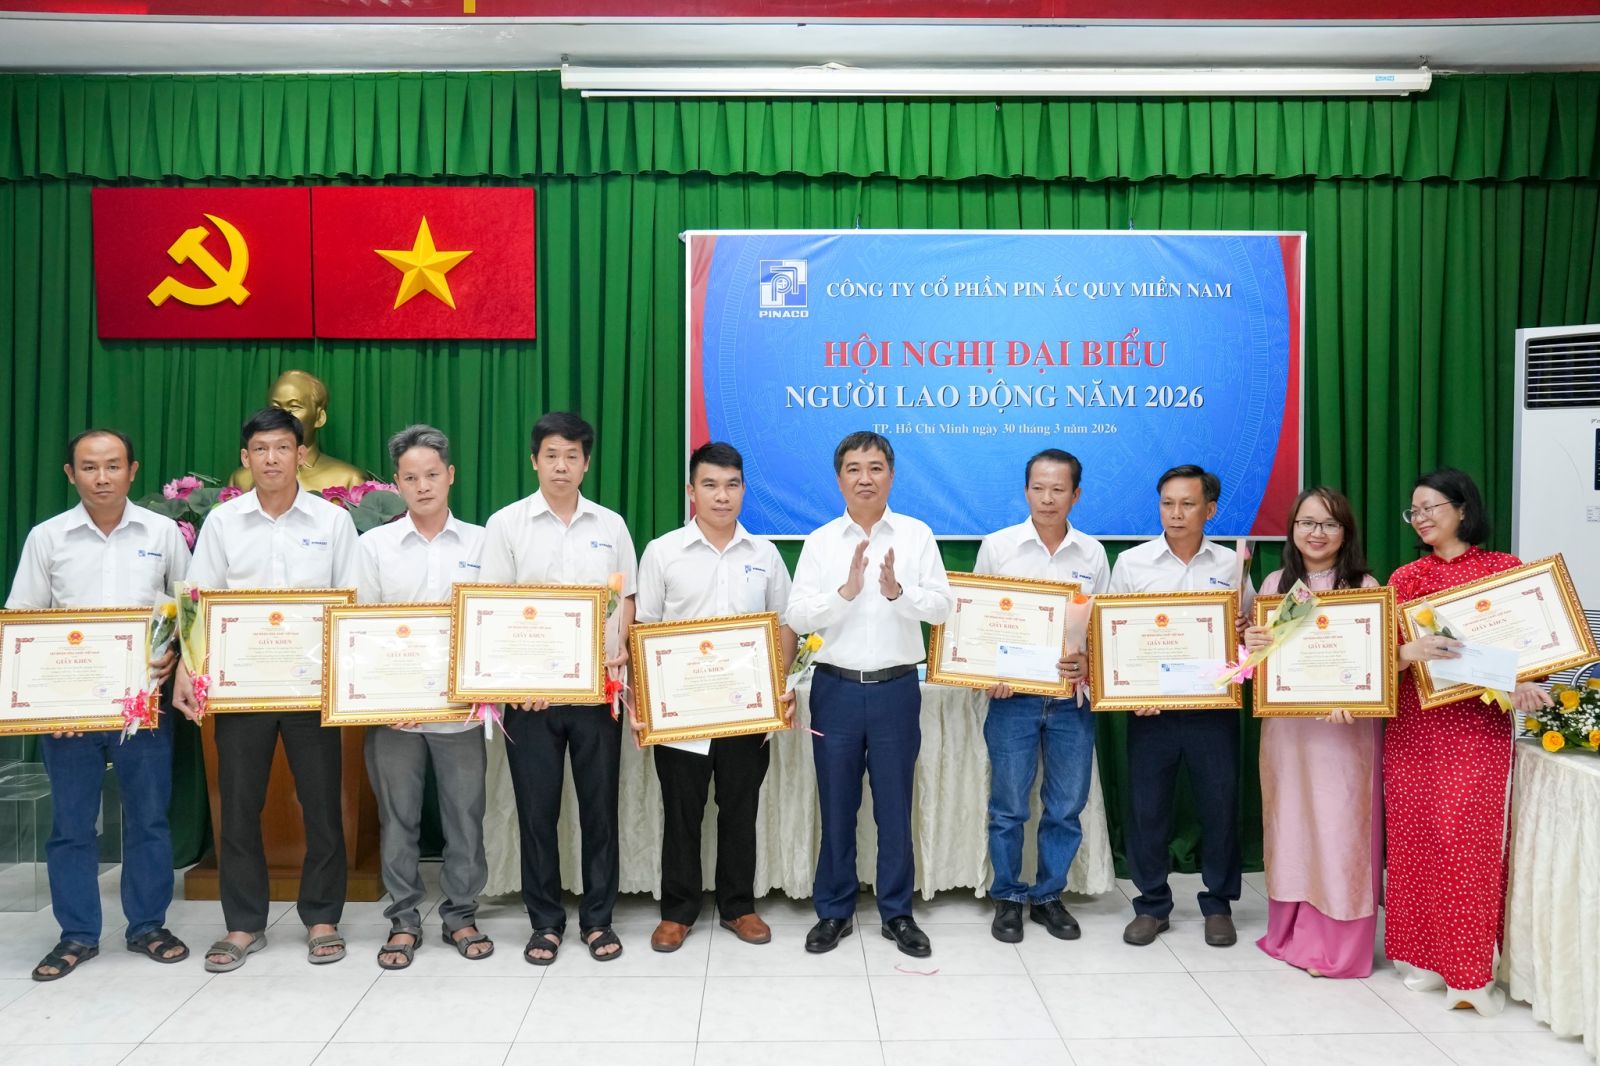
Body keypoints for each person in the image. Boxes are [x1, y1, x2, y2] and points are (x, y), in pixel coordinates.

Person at [174, 407, 361, 972]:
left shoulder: (332, 522)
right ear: (245, 457)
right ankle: (243, 923)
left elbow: (353, 600)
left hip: (312, 689)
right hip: (242, 689)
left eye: (282, 447)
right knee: (238, 806)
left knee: (323, 806)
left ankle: (323, 918)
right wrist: (187, 669)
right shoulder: (223, 524)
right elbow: (195, 601)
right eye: (260, 449)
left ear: (301, 454)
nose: (272, 458)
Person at [7, 429, 191, 980]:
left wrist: (175, 656)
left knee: (148, 819)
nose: (102, 477)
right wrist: (47, 705)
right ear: (71, 474)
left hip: (144, 703)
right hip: (69, 711)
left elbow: (189, 610)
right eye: (89, 467)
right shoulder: (47, 537)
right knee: (71, 824)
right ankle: (77, 933)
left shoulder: (162, 532)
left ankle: (148, 926)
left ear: (132, 470)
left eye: (113, 466)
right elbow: (23, 619)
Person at [1385, 467, 1552, 1015]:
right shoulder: (1405, 578)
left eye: (1431, 507)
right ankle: (1426, 962)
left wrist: (1527, 680)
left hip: (1476, 729)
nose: (1421, 518)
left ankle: (1470, 972)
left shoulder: (1503, 571)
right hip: (1414, 727)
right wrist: (1408, 653)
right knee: (1416, 843)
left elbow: (1532, 649)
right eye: (1414, 510)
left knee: (1468, 846)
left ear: (1462, 509)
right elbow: (1380, 661)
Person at [479, 411, 636, 965]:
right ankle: (544, 922)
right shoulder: (506, 524)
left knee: (600, 811)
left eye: (572, 456)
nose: (562, 466)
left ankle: (598, 920)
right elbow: (493, 607)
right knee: (536, 812)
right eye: (552, 455)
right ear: (534, 461)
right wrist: (517, 682)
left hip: (598, 694)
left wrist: (621, 646)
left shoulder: (610, 526)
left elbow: (627, 601)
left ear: (586, 464)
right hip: (532, 699)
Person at [787, 431, 953, 958]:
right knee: (836, 805)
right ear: (839, 478)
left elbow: (943, 608)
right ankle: (834, 911)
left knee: (894, 807)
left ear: (892, 475)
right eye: (854, 469)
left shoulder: (917, 535)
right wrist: (845, 593)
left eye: (876, 468)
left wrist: (898, 593)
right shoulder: (820, 542)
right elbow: (797, 615)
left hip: (896, 690)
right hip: (834, 690)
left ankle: (897, 913)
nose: (865, 478)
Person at [633, 441, 797, 952]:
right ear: (691, 491)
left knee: (740, 810)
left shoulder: (764, 555)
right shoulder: (663, 552)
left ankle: (738, 907)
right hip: (680, 715)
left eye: (731, 485)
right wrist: (645, 704)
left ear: (743, 490)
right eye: (710, 485)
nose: (721, 496)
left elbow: (785, 625)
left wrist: (777, 686)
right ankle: (677, 912)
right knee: (681, 813)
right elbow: (644, 629)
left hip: (747, 711)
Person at [354, 425, 491, 970]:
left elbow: (494, 621)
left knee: (464, 817)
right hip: (395, 714)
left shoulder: (483, 542)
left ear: (450, 475)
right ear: (397, 483)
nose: (423, 486)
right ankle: (403, 918)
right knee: (398, 818)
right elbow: (359, 628)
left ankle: (461, 914)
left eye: (432, 474)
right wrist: (383, 698)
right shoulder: (374, 546)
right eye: (411, 478)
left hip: (461, 711)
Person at [1107, 464, 1253, 949]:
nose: (1176, 513)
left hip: (1213, 708)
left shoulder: (1232, 565)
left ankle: (1219, 904)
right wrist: (1132, 694)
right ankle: (1151, 904)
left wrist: (1242, 634)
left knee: (1220, 806)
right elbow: (1111, 635)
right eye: (1167, 503)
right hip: (1151, 711)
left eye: (1187, 504)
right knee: (1147, 809)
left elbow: (1250, 634)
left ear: (1209, 510)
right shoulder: (1132, 564)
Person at [1242, 487, 1382, 978]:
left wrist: (1354, 699)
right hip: (1288, 729)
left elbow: (1375, 660)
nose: (1316, 533)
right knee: (1291, 823)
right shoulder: (1276, 583)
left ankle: (1337, 946)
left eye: (1329, 524)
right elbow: (1260, 662)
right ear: (1292, 528)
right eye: (1306, 522)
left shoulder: (1363, 586)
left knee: (1340, 826)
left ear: (1345, 532)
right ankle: (1289, 933)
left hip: (1343, 728)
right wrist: (1252, 642)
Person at [973, 448, 1110, 944]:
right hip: (1013, 699)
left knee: (1066, 806)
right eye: (1038, 488)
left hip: (1073, 700)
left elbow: (1104, 628)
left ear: (1076, 494)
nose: (1047, 498)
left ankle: (1049, 895)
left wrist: (1090, 662)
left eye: (1058, 489)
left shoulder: (1093, 554)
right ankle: (1008, 897)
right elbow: (979, 621)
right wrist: (990, 672)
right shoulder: (999, 547)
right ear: (1026, 491)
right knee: (1008, 806)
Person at [228, 369, 366, 491]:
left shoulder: (349, 480)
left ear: (319, 417)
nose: (283, 416)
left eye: (294, 407)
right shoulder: (242, 479)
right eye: (276, 407)